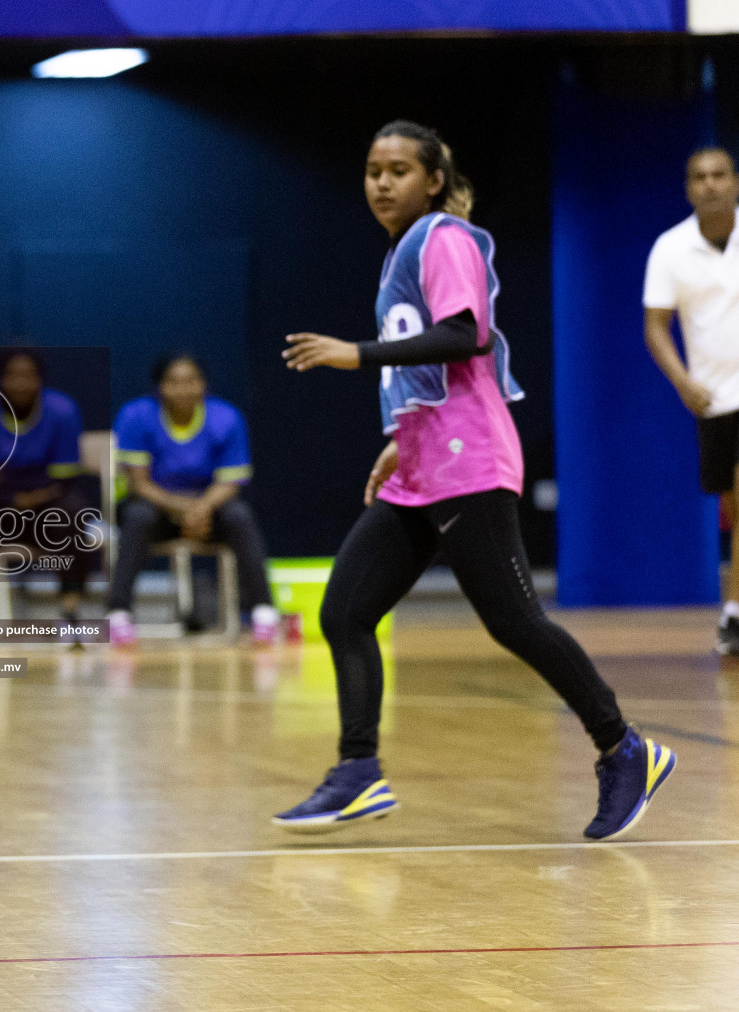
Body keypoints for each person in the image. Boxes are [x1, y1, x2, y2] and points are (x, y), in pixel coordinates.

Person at [274, 120, 673, 840]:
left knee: (515, 620)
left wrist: (354, 354)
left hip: (471, 461)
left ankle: (625, 749)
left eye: (399, 170)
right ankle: (358, 771)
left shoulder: (443, 237)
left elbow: (467, 336)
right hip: (424, 465)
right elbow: (430, 368)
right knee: (345, 612)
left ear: (432, 180)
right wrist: (400, 440)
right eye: (372, 170)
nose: (382, 182)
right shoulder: (404, 249)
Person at [107, 354, 279, 645]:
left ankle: (263, 611)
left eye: (191, 381)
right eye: (173, 382)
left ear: (203, 385)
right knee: (137, 517)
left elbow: (230, 483)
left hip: (208, 511)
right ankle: (118, 613)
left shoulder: (226, 418)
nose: (183, 389)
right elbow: (139, 484)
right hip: (157, 510)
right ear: (159, 387)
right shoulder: (136, 416)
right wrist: (186, 509)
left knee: (240, 516)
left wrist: (201, 509)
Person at [643, 147, 739, 653]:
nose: (710, 184)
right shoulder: (670, 249)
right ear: (687, 189)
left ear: (736, 181)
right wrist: (683, 382)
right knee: (734, 508)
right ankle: (733, 611)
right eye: (699, 177)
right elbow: (656, 326)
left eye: (719, 174)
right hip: (714, 400)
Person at [0, 349, 93, 645]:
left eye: (29, 376)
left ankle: (70, 614)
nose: (21, 383)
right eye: (13, 375)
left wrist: (9, 485)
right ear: (0, 379)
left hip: (43, 512)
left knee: (76, 512)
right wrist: (17, 495)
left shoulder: (62, 411)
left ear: (41, 380)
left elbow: (65, 481)